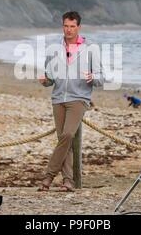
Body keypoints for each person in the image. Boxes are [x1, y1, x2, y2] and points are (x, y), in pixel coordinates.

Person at [38, 11, 104, 192]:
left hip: (79, 99)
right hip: (58, 98)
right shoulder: (54, 49)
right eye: (66, 26)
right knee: (64, 141)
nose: (68, 30)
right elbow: (50, 77)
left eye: (72, 26)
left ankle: (48, 176)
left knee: (67, 135)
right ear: (63, 26)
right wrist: (45, 81)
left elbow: (101, 78)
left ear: (79, 27)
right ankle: (68, 181)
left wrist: (93, 77)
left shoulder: (91, 49)